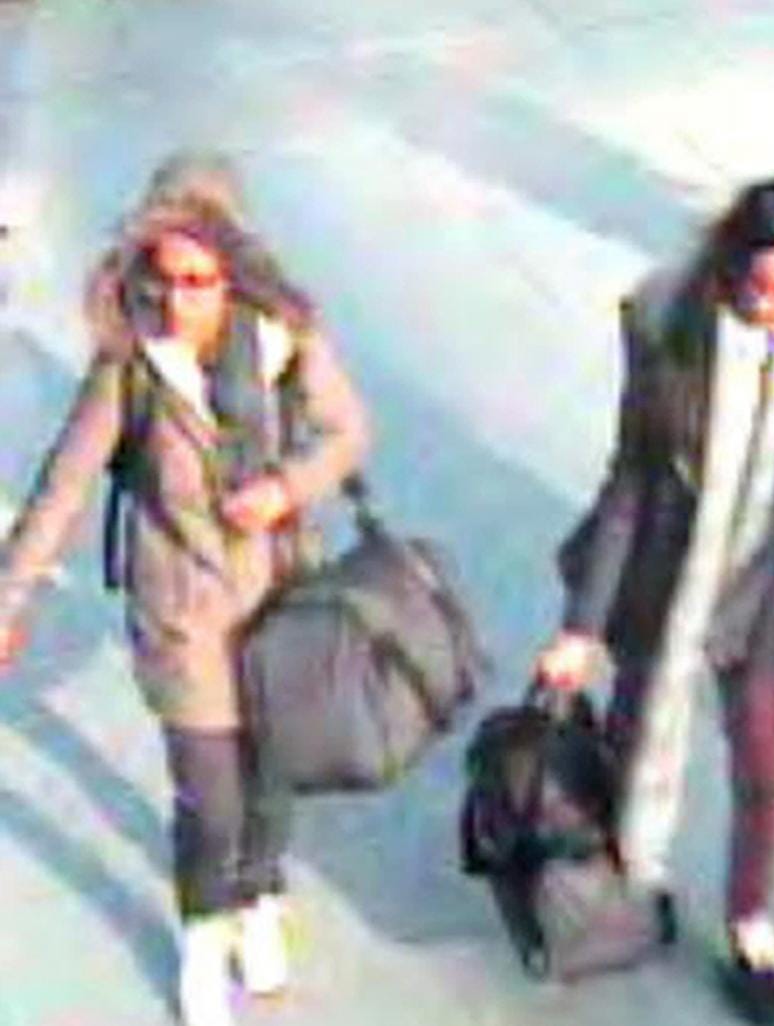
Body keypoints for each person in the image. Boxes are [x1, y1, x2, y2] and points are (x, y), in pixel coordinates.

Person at [0, 152, 369, 1026]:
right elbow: (64, 484)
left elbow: (348, 430)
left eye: (199, 282)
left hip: (280, 600)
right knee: (213, 800)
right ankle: (206, 938)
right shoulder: (130, 363)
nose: (178, 302)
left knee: (273, 780)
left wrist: (285, 488)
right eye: (163, 280)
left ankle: (259, 897)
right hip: (181, 614)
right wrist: (13, 593)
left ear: (232, 271)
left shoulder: (284, 341)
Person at [538, 178, 774, 1025]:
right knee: (631, 746)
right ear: (731, 267)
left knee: (764, 775)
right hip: (664, 592)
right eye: (764, 289)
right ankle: (629, 889)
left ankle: (750, 925)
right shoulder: (675, 344)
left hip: (755, 602)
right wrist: (581, 628)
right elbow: (628, 489)